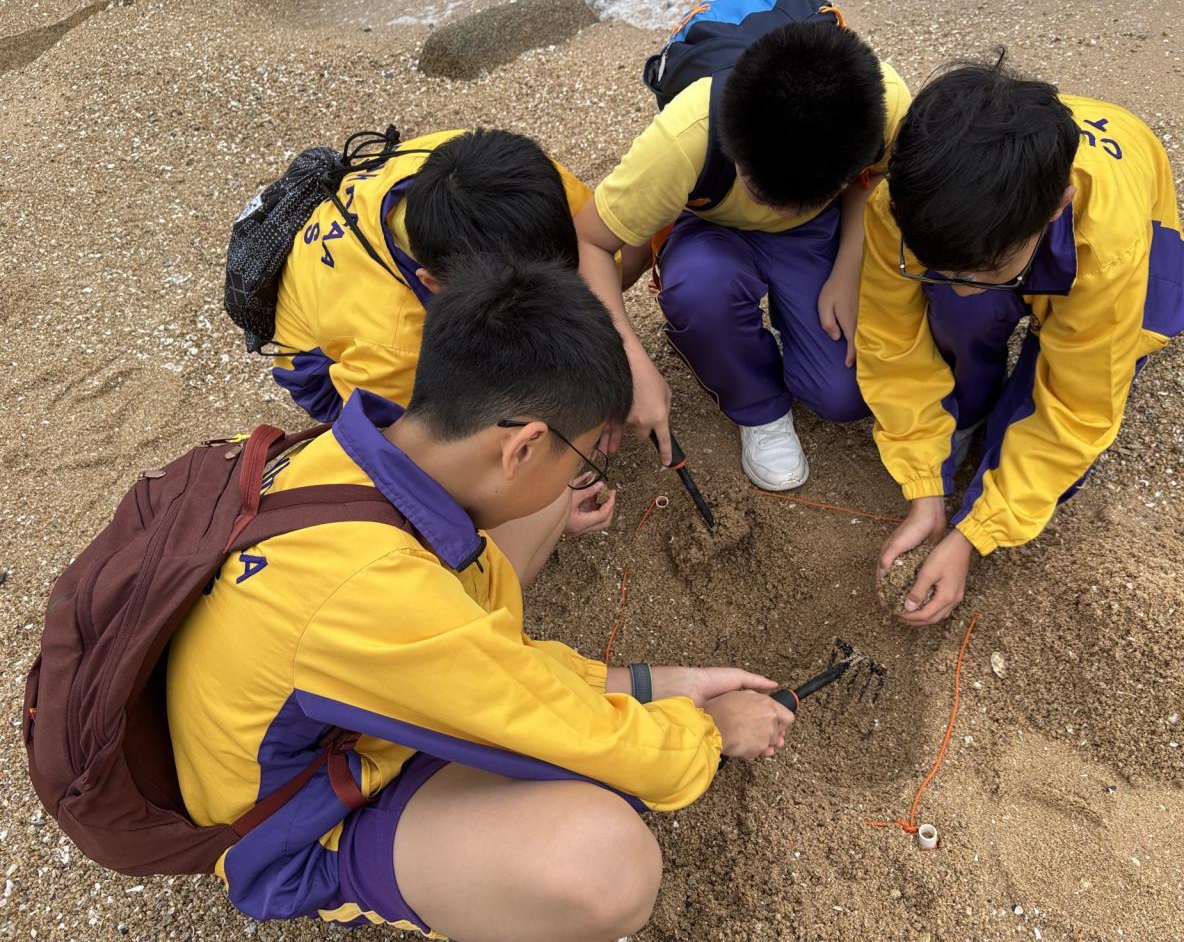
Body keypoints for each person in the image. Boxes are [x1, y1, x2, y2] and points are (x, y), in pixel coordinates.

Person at [169, 256, 794, 941]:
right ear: (522, 447)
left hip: (339, 695)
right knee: (606, 865)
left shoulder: (348, 451)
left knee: (539, 506)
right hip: (295, 821)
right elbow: (565, 732)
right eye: (585, 455)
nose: (584, 474)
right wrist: (711, 730)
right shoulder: (379, 592)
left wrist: (661, 684)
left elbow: (483, 663)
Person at [857, 55, 1184, 626]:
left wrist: (973, 534)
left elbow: (1075, 409)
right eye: (940, 267)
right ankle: (963, 416)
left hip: (1114, 239)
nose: (961, 288)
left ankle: (987, 440)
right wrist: (924, 486)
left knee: (1046, 405)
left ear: (1057, 207)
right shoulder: (904, 204)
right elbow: (889, 342)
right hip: (1005, 215)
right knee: (961, 309)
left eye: (988, 271)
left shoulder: (1108, 245)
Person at [576, 9, 911, 490]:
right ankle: (758, 406)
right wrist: (628, 362)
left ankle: (774, 338)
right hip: (712, 227)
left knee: (844, 395)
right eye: (760, 192)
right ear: (731, 145)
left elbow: (877, 177)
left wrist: (848, 266)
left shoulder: (882, 106)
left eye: (797, 201)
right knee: (701, 290)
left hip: (815, 233)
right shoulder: (687, 136)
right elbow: (591, 239)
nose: (777, 211)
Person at [271, 126, 651, 423]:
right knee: (464, 426)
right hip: (319, 367)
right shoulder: (394, 347)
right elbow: (401, 454)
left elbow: (607, 250)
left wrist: (621, 361)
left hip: (372, 270)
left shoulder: (517, 179)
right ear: (434, 286)